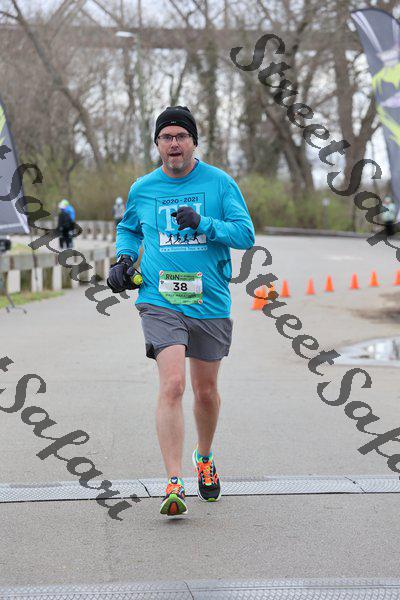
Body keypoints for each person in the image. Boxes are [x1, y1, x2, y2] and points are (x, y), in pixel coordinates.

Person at [107, 105, 255, 517]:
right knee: (172, 385)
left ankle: (203, 457)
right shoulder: (143, 188)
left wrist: (204, 223)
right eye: (166, 137)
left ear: (193, 142)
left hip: (209, 301)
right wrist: (123, 259)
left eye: (181, 136)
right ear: (157, 144)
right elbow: (129, 228)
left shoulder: (219, 183)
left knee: (205, 392)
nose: (174, 144)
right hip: (160, 300)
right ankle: (173, 482)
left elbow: (245, 234)